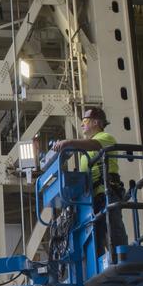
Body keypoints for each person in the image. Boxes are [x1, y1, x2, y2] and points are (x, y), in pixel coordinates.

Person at [52, 106, 127, 257]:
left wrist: (68, 142)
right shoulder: (84, 153)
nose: (82, 124)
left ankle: (122, 258)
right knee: (95, 238)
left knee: (113, 230)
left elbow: (95, 145)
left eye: (85, 120)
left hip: (107, 193)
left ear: (96, 122)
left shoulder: (106, 138)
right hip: (91, 199)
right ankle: (99, 264)